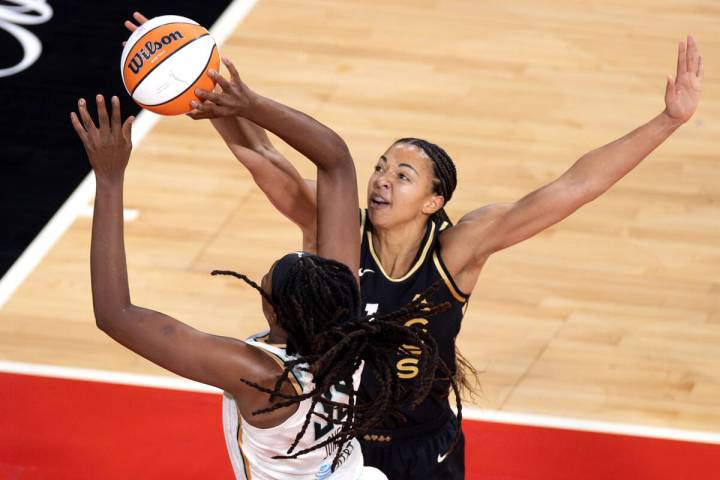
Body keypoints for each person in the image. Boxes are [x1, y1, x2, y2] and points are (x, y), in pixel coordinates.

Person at [187, 32, 704, 479]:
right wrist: (200, 82)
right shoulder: (337, 231)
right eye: (382, 168)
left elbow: (574, 186)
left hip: (426, 449)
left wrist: (667, 120)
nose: (382, 181)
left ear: (434, 203)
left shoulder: (457, 252)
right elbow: (265, 158)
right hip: (340, 443)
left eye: (402, 176)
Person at [70, 63, 453, 478]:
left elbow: (115, 315)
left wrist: (108, 179)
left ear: (273, 311)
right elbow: (337, 161)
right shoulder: (346, 335)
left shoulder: (263, 375)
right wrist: (246, 103)